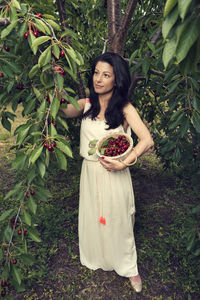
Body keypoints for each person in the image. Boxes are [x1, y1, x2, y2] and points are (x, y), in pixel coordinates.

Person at [61, 52, 154, 293]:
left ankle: (129, 266)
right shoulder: (86, 104)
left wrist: (125, 163)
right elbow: (63, 111)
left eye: (106, 75)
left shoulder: (124, 108)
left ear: (116, 79)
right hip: (90, 172)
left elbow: (146, 140)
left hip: (114, 173)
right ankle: (99, 255)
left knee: (119, 220)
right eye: (96, 73)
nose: (99, 79)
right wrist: (56, 82)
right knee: (94, 216)